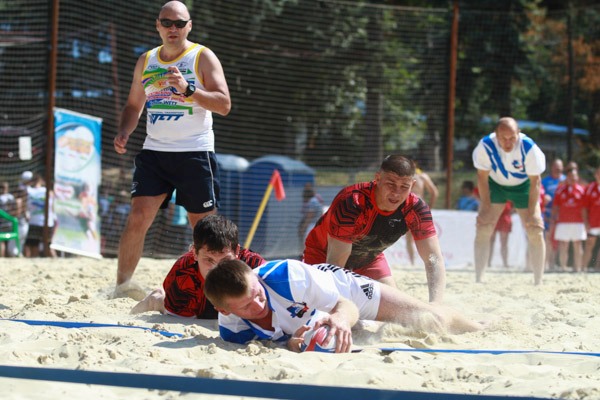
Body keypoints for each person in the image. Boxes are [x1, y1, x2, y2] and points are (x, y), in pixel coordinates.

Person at [112, 1, 231, 298]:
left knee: (204, 228)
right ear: (158, 25)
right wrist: (125, 131)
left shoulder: (202, 56)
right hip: (155, 152)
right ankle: (122, 287)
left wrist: (188, 89)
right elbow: (133, 106)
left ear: (189, 26)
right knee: (138, 216)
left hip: (194, 152)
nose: (173, 28)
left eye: (179, 23)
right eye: (167, 22)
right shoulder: (147, 60)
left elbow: (224, 104)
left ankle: (214, 292)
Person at [204, 258, 484, 353]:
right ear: (225, 310)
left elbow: (345, 305)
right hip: (314, 314)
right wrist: (289, 344)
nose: (258, 304)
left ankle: (481, 327)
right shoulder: (232, 331)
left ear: (255, 278)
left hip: (343, 290)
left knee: (430, 319)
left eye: (257, 293)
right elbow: (272, 345)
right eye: (247, 306)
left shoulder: (287, 275)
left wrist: (339, 319)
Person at [302, 155, 446, 302]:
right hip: (323, 255)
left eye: (404, 187)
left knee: (396, 304)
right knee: (324, 304)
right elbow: (335, 264)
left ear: (413, 185)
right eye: (391, 184)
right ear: (378, 178)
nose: (396, 193)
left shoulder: (416, 208)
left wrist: (436, 303)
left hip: (369, 257)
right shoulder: (352, 202)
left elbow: (434, 259)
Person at [130, 214, 265, 317]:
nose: (217, 269)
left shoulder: (255, 267)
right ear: (194, 253)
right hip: (196, 304)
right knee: (164, 305)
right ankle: (156, 299)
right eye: (209, 260)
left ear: (237, 252)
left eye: (225, 260)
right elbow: (182, 322)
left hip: (232, 303)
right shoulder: (182, 275)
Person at [472, 117, 546, 285]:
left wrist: (533, 212)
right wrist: (485, 207)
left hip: (524, 186)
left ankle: (538, 281)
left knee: (535, 229)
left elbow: (536, 181)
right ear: (496, 135)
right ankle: (479, 278)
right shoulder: (485, 145)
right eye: (503, 138)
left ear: (518, 133)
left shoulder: (529, 147)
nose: (508, 142)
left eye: (512, 138)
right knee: (483, 226)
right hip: (496, 184)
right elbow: (482, 178)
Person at [551, 167, 586, 272]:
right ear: (567, 178)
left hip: (578, 222)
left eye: (574, 176)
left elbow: (585, 208)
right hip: (563, 222)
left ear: (577, 177)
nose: (572, 178)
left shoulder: (582, 190)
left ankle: (578, 268)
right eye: (570, 176)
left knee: (577, 244)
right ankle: (563, 267)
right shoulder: (560, 190)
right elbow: (555, 207)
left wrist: (586, 222)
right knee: (563, 245)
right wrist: (553, 220)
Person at [406, 164, 439, 265]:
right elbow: (434, 192)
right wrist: (429, 207)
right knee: (426, 237)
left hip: (409, 205)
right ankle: (430, 262)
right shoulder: (423, 176)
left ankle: (413, 263)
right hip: (419, 206)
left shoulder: (405, 176)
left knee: (410, 238)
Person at [24, 174, 57, 258]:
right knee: (48, 245)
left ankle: (34, 261)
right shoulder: (49, 192)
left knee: (33, 246)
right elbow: (53, 207)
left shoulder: (28, 190)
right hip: (48, 222)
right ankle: (55, 261)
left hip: (35, 222)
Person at [541, 158, 565, 270]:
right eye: (556, 167)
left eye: (559, 167)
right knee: (548, 238)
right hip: (548, 213)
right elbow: (540, 195)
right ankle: (546, 263)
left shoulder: (566, 180)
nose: (558, 169)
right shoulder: (545, 181)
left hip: (563, 214)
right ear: (551, 168)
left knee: (560, 239)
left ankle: (556, 263)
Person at [297, 183, 324, 248]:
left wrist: (303, 228)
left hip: (312, 226)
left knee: (307, 244)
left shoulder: (312, 202)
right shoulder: (316, 201)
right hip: (317, 225)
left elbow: (310, 216)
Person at [488, 201, 513, 269]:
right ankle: (488, 262)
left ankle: (505, 263)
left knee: (504, 242)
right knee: (491, 241)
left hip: (504, 217)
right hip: (493, 216)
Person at [0, 181, 17, 257]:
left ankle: (3, 257)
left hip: (3, 222)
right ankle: (5, 256)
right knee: (7, 241)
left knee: (2, 241)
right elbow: (15, 208)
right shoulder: (11, 197)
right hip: (10, 222)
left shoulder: (2, 198)